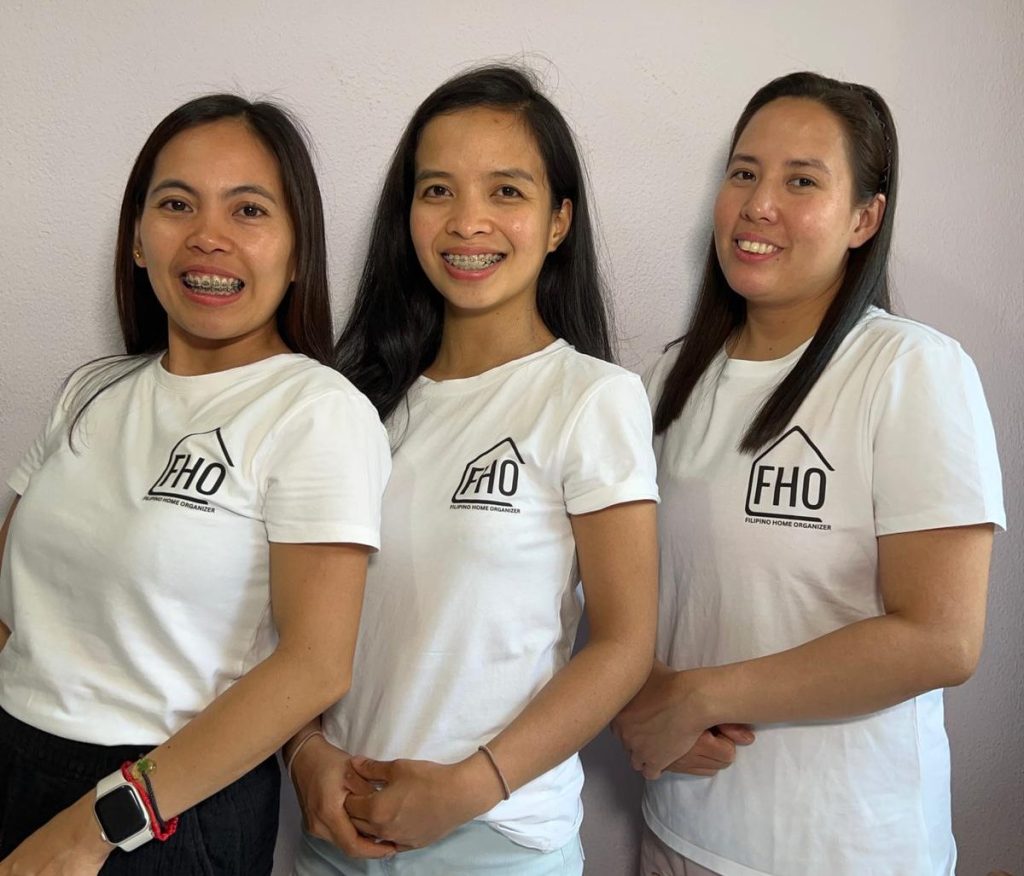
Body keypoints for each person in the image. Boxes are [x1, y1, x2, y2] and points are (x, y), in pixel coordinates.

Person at [612, 71, 1005, 876]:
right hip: (680, 834)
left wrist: (704, 695)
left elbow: (941, 639)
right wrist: (643, 692)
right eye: (744, 173)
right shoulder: (664, 384)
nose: (759, 205)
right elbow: (638, 599)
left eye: (801, 181)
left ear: (865, 218)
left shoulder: (910, 370)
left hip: (850, 850)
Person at [0, 94, 390, 875]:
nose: (208, 236)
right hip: (17, 759)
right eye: (177, 204)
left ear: (297, 250)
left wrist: (93, 828)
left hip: (163, 808)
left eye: (248, 210)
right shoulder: (90, 390)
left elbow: (315, 665)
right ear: (137, 239)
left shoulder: (316, 411)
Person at [285, 64, 660, 875]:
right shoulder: (351, 402)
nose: (467, 222)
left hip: (497, 842)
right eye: (437, 191)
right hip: (333, 834)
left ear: (559, 222)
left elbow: (624, 644)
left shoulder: (592, 399)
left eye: (506, 192)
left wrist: (469, 786)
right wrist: (305, 752)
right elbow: (293, 612)